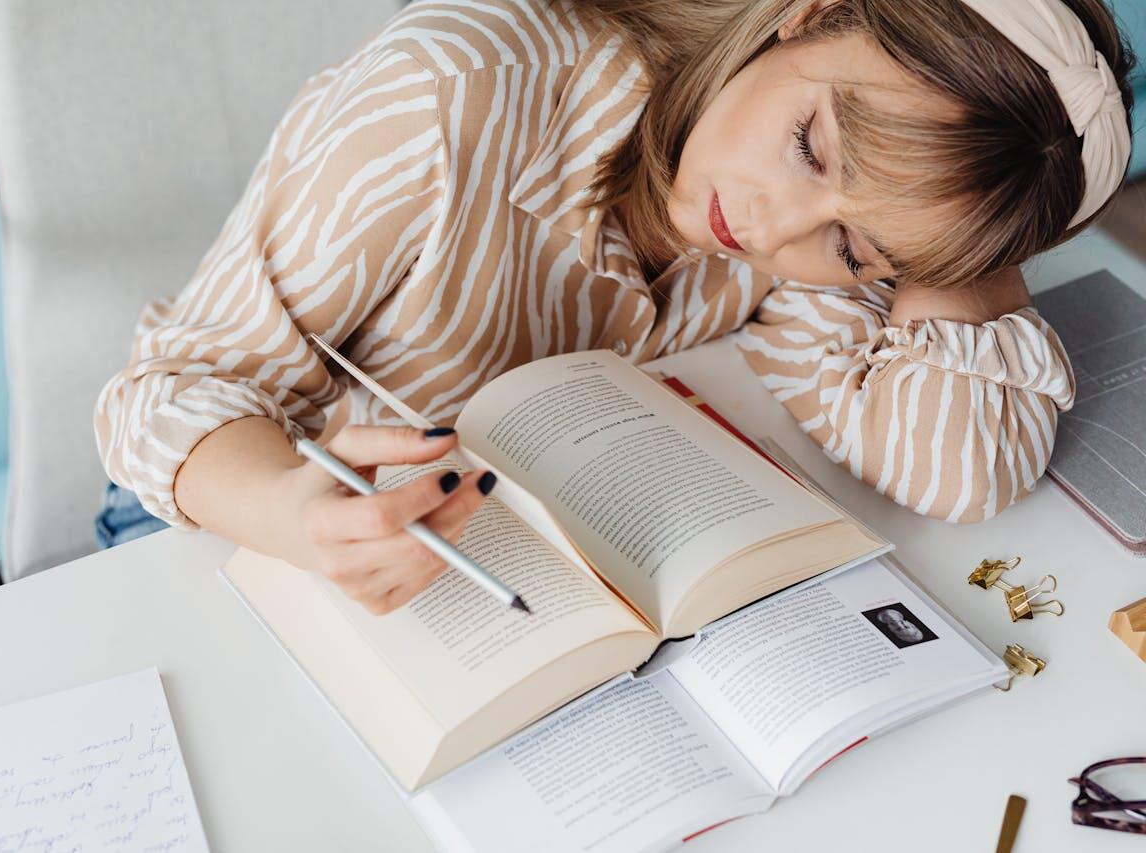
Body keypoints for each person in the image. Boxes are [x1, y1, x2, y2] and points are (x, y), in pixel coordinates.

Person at [93, 0, 1135, 615]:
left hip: (508, 576)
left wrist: (960, 240)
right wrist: (296, 514)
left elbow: (954, 470)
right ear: (808, 13)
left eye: (855, 244)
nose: (771, 231)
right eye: (813, 145)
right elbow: (163, 394)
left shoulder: (807, 245)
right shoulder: (446, 96)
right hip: (239, 526)